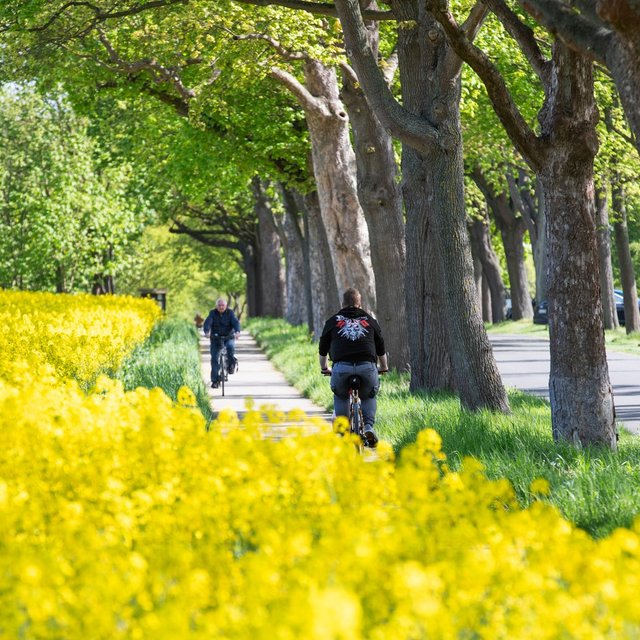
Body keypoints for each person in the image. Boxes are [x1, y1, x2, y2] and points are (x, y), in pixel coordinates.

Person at [319, 287, 389, 447]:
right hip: (367, 367)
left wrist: (324, 368)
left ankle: (343, 428)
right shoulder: (370, 320)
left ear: (342, 304)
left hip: (341, 367)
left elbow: (323, 347)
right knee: (368, 396)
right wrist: (383, 367)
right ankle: (369, 427)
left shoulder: (332, 321)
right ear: (360, 304)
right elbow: (380, 347)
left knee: (341, 395)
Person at [204, 298, 241, 389]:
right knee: (215, 359)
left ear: (226, 306)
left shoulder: (230, 313)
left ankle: (231, 364)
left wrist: (237, 332)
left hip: (228, 337)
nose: (221, 307)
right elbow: (207, 323)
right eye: (219, 305)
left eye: (223, 305)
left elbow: (235, 323)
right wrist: (207, 332)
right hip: (215, 338)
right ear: (216, 306)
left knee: (230, 348)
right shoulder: (212, 313)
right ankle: (215, 381)